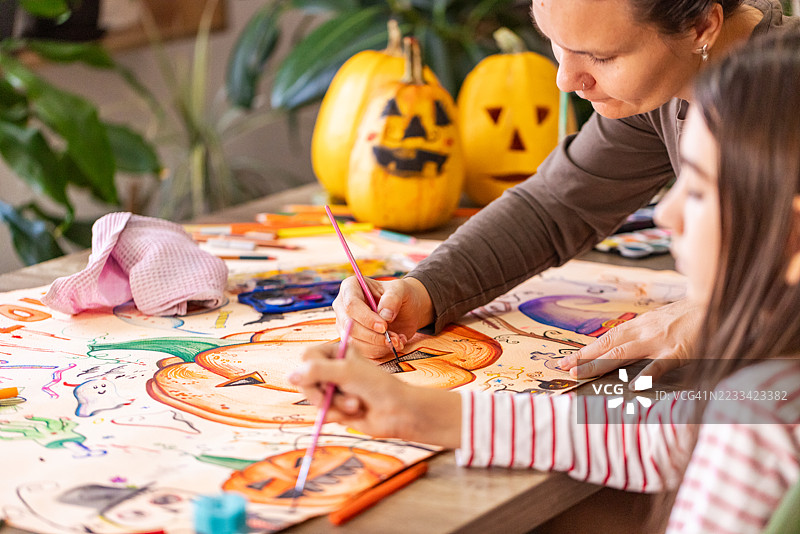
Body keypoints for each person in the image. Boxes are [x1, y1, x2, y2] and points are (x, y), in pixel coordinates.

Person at [290, 30, 800, 532]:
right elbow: (657, 439)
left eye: (698, 190)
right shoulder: (763, 402)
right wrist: (416, 410)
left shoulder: (758, 427)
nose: (665, 213)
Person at [331, 0, 799, 381]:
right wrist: (423, 289)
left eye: (601, 57)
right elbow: (557, 206)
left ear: (701, 27)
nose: (564, 80)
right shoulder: (663, 84)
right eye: (557, 43)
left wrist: (730, 309)